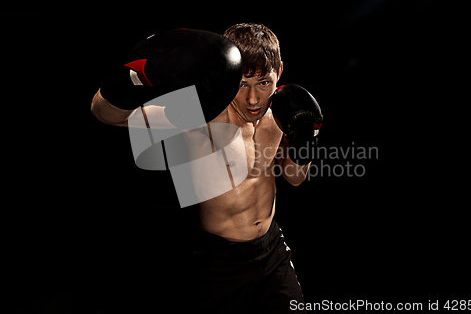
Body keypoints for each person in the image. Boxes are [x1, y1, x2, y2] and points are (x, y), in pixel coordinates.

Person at [91, 23, 322, 313]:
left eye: (264, 83)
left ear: (280, 73)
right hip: (218, 260)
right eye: (242, 84)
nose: (253, 99)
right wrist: (135, 77)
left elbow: (295, 178)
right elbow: (103, 113)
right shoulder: (203, 113)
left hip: (271, 248)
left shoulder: (283, 110)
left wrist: (306, 139)